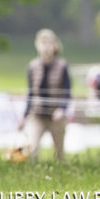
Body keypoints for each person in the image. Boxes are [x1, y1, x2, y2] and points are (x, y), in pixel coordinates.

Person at [18, 28, 71, 162]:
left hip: (56, 116)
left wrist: (62, 110)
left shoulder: (62, 66)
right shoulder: (32, 67)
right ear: (37, 45)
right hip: (37, 115)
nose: (46, 47)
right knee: (32, 149)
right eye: (43, 43)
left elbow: (67, 93)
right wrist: (24, 116)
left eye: (49, 43)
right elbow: (31, 93)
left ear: (55, 45)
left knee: (59, 153)